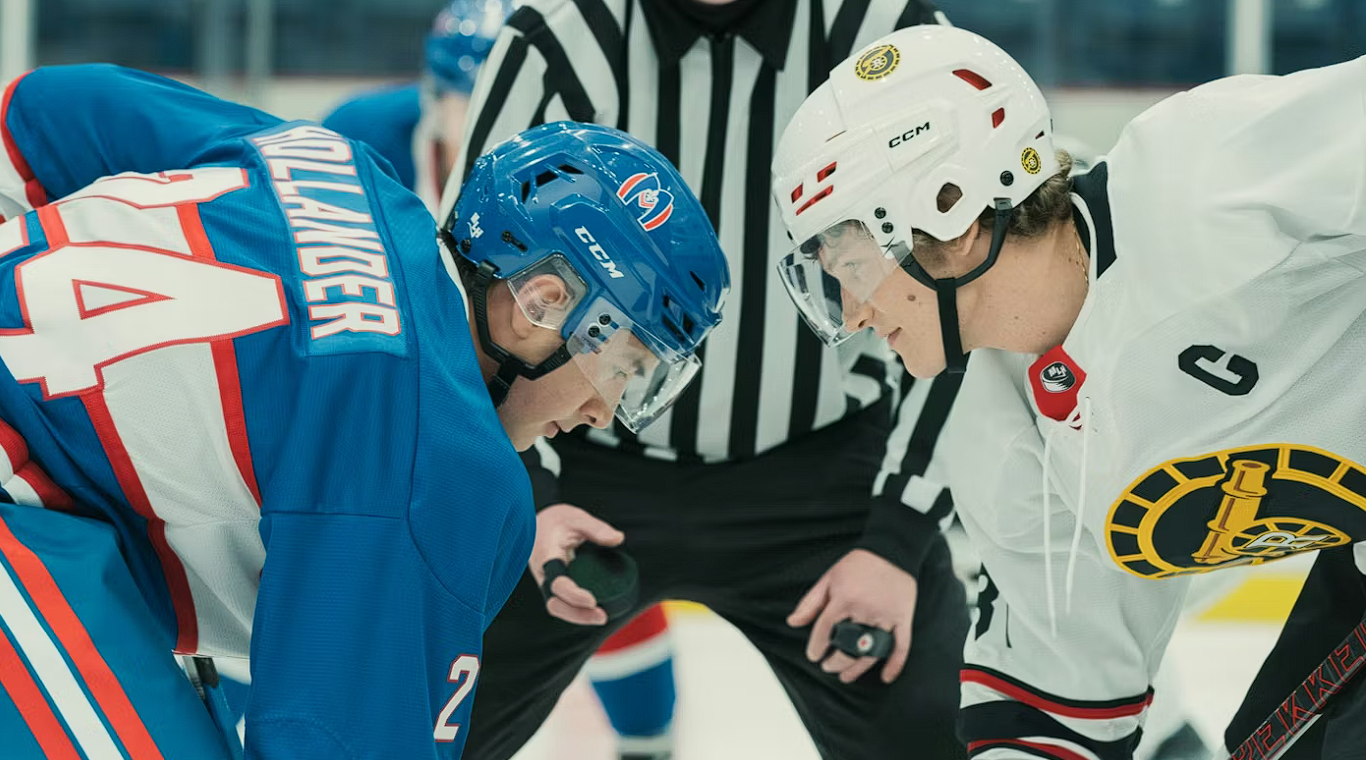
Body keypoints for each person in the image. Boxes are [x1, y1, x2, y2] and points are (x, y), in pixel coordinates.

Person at [0, 64, 727, 759]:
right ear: (542, 303)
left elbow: (41, 110)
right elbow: (336, 740)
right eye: (620, 366)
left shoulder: (337, 162)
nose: (603, 409)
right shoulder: (438, 460)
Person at [772, 22, 1366, 759]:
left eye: (854, 266)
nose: (854, 314)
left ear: (951, 211)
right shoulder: (999, 424)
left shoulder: (1202, 177)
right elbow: (1057, 703)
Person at [443, 1, 975, 759]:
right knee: (418, 719)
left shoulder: (887, 34)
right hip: (576, 464)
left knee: (938, 737)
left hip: (827, 486)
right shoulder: (559, 36)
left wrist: (898, 538)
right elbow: (477, 285)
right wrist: (529, 496)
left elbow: (968, 299)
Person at [323, 3, 685, 753]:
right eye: (473, 96)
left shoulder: (572, 185)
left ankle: (648, 741)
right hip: (402, 401)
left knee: (584, 567)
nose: (498, 119)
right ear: (434, 96)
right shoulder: (364, 136)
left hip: (541, 389)